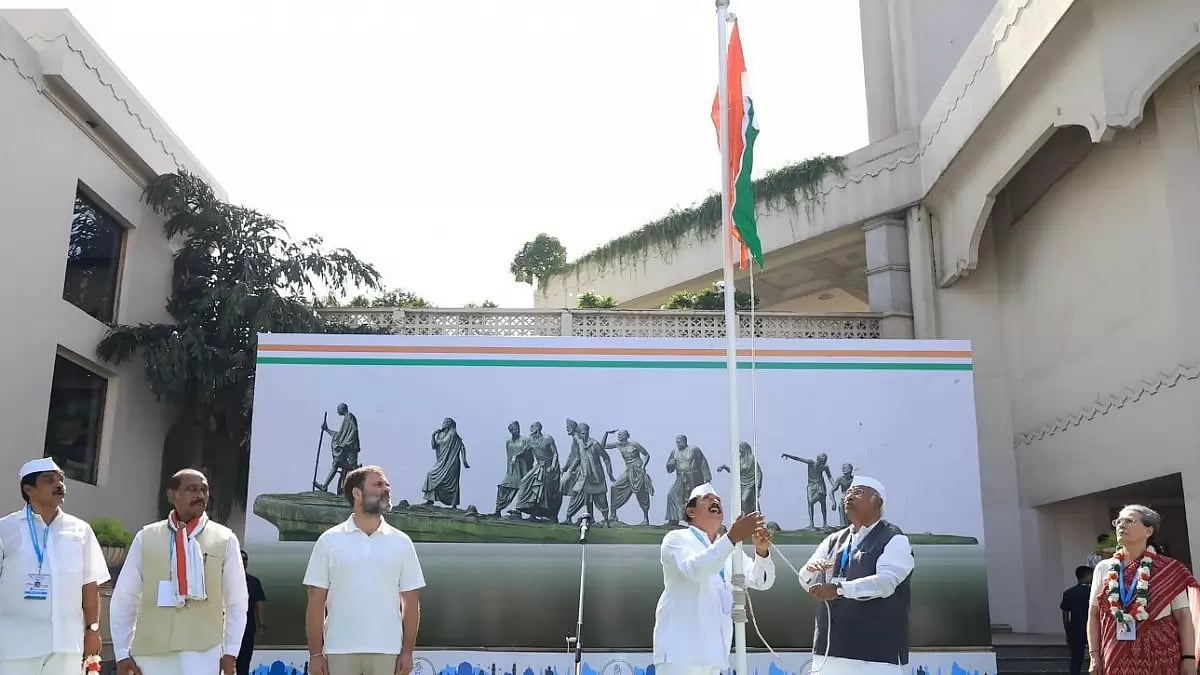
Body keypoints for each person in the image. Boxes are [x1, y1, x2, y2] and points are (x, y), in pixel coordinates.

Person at [110, 469, 249, 675]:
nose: (200, 495)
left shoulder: (225, 539)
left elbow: (236, 601)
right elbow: (125, 597)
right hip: (151, 651)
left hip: (203, 652)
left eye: (204, 490)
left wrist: (231, 652)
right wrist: (121, 652)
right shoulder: (146, 537)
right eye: (192, 489)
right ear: (172, 495)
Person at [304, 465, 425, 675]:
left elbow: (411, 602)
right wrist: (315, 654)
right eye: (378, 484)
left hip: (388, 652)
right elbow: (316, 601)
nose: (386, 489)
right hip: (339, 651)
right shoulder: (329, 541)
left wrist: (407, 652)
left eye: (387, 485)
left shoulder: (402, 542)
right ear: (357, 493)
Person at [652, 483, 775, 675]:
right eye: (707, 498)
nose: (715, 501)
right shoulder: (676, 539)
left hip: (714, 657)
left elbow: (762, 581)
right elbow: (694, 570)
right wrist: (732, 537)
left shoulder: (729, 547)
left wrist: (762, 551)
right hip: (680, 656)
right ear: (690, 511)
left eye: (718, 500)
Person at [0, 458, 109, 675]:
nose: (59, 485)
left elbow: (89, 585)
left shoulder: (80, 530)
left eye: (61, 480)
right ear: (29, 489)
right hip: (16, 644)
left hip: (67, 645)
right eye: (49, 480)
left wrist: (93, 630)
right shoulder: (6, 529)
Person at [797, 475, 915, 674]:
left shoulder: (895, 540)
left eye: (858, 492)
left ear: (878, 502)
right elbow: (805, 579)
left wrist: (840, 589)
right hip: (830, 653)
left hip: (876, 656)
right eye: (848, 493)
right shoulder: (833, 540)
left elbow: (885, 583)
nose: (849, 497)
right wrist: (810, 571)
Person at [1086, 504, 1198, 675]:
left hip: (1161, 655)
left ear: (1149, 531)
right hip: (1115, 654)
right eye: (1118, 521)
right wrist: (1094, 656)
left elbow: (1183, 615)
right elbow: (1094, 615)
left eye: (1129, 521)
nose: (1121, 525)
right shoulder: (1103, 568)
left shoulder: (1168, 569)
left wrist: (1189, 658)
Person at [236, 550, 267, 675]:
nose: (243, 562)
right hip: (226, 629)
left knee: (244, 663)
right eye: (240, 559)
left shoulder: (253, 582)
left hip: (247, 629)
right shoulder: (225, 579)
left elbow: (259, 605)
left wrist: (261, 625)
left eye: (245, 559)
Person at [1061, 565, 1092, 675]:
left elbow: (1065, 614)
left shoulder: (1069, 592)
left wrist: (1067, 631)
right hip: (1092, 630)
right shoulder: (1094, 592)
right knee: (1097, 657)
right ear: (1086, 576)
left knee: (1076, 660)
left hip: (1075, 630)